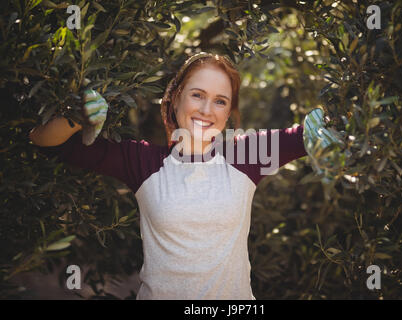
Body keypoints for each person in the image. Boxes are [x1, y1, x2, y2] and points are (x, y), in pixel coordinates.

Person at [29, 52, 341, 300]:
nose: (207, 109)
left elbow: (314, 133)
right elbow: (47, 143)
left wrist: (331, 123)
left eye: (221, 101)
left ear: (229, 112)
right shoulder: (141, 162)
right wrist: (78, 117)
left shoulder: (246, 156)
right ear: (176, 97)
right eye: (197, 95)